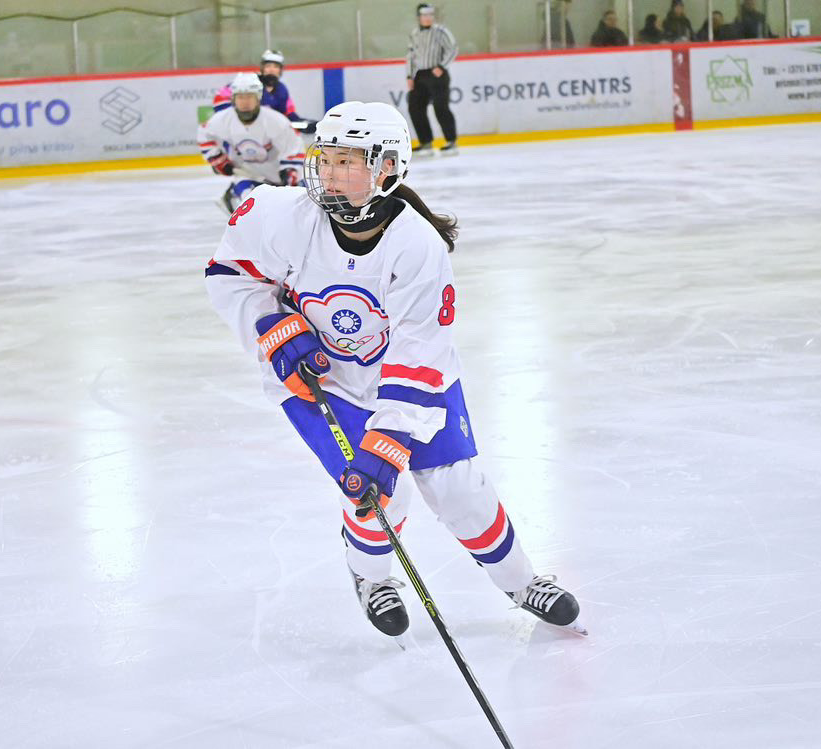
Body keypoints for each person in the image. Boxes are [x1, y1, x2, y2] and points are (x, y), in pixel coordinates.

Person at [204, 101, 584, 638]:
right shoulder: (278, 216)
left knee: (459, 488)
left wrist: (390, 436)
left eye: (347, 161)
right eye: (325, 159)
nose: (330, 173)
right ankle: (372, 580)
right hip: (323, 382)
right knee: (378, 495)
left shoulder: (419, 248)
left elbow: (417, 353)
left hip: (410, 381)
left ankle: (521, 583)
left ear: (386, 168)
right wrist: (271, 325)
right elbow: (227, 273)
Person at [197, 72, 305, 214]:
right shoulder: (222, 120)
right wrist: (218, 160)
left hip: (280, 177)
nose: (245, 102)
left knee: (295, 211)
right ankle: (235, 194)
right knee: (252, 210)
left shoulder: (276, 121)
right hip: (249, 175)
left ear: (258, 97)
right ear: (233, 99)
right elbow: (204, 134)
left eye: (249, 97)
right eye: (240, 97)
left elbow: (293, 149)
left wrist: (290, 173)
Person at [212, 50, 317, 133]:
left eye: (276, 67)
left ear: (280, 70)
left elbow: (289, 116)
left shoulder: (281, 90)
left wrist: (304, 125)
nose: (271, 70)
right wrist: (238, 118)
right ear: (262, 68)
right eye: (268, 66)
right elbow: (220, 98)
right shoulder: (249, 82)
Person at [406, 3, 459, 157]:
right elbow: (410, 55)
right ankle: (426, 142)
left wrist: (441, 67)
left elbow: (453, 48)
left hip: (438, 74)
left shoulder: (441, 31)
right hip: (420, 75)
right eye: (424, 15)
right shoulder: (415, 33)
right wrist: (409, 75)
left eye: (430, 15)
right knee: (415, 107)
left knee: (440, 107)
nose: (428, 18)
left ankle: (451, 141)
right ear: (419, 17)